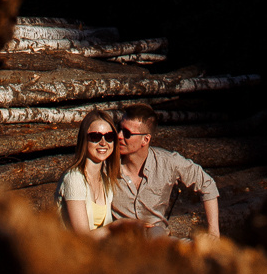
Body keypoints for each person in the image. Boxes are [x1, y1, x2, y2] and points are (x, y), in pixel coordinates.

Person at [109, 102, 219, 238]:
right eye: (118, 129)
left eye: (127, 133)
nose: (119, 136)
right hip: (121, 246)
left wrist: (214, 232)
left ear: (145, 139)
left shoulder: (168, 162)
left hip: (159, 241)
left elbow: (207, 184)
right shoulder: (107, 165)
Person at [56, 112, 120, 238]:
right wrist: (117, 227)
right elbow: (83, 238)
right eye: (96, 137)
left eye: (109, 136)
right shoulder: (74, 179)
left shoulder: (106, 180)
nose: (103, 142)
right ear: (84, 140)